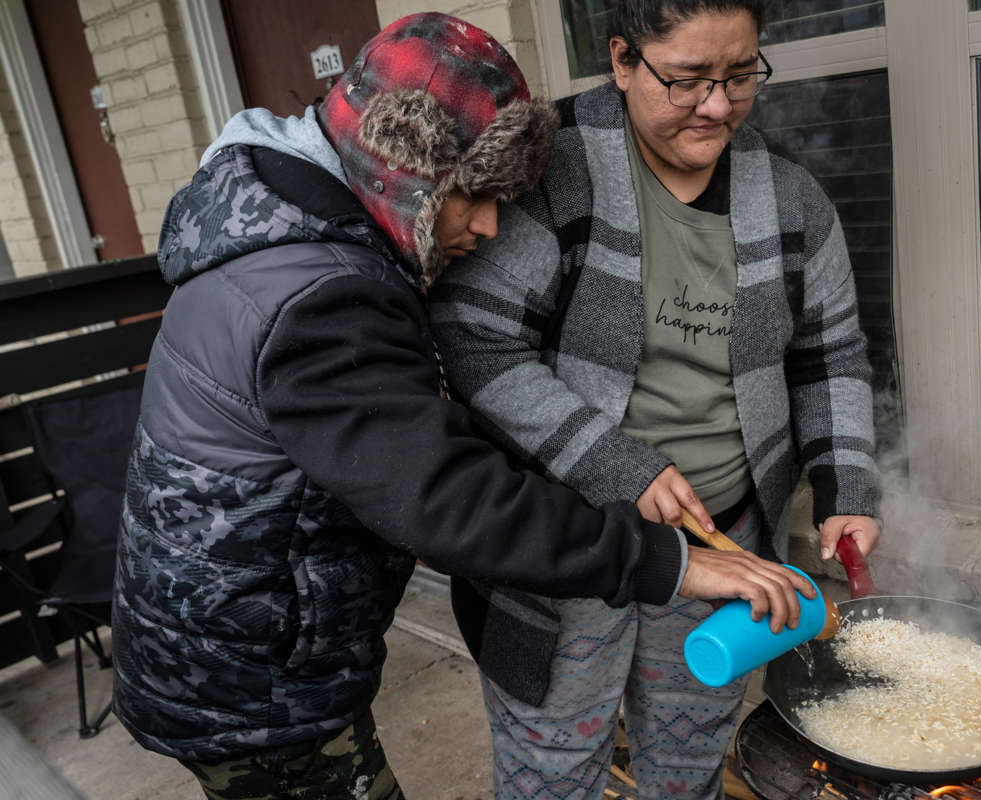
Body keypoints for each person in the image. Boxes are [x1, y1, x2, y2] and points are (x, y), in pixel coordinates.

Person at [109, 12, 816, 800]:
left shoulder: (277, 213)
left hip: (244, 636)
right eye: (472, 195)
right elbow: (451, 500)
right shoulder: (321, 296)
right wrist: (669, 562)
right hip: (251, 681)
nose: (486, 227)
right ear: (401, 169)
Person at [430, 1, 883, 797]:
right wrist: (617, 465)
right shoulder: (551, 172)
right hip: (566, 543)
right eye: (687, 80)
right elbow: (474, 340)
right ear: (622, 60)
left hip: (723, 541)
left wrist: (847, 485)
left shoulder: (790, 198)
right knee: (552, 769)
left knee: (688, 764)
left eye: (741, 76)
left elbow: (831, 352)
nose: (718, 106)